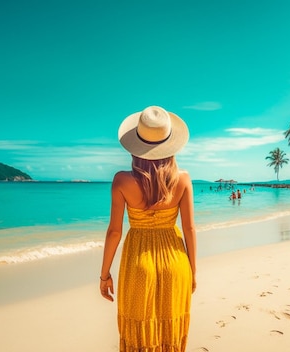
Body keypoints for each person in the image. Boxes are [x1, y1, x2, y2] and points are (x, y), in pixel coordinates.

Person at [100, 106, 196, 351]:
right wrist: (193, 272)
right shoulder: (183, 179)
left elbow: (114, 232)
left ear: (135, 146)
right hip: (176, 261)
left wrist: (104, 275)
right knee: (169, 331)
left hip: (138, 261)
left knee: (138, 331)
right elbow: (189, 229)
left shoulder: (122, 180)